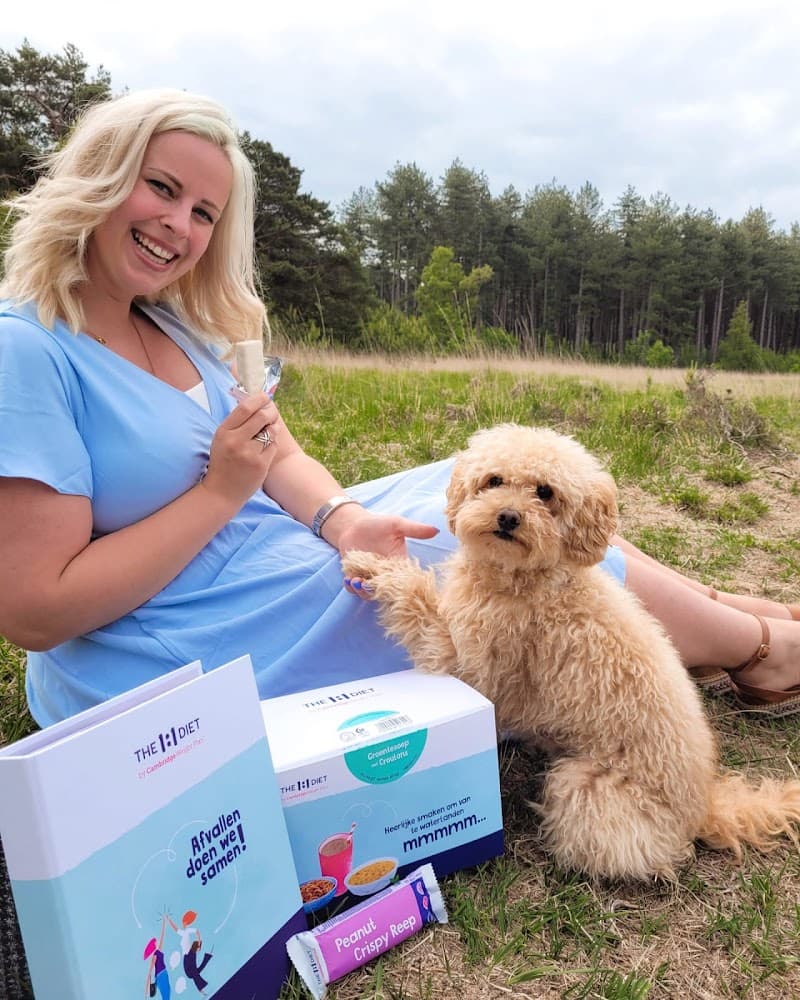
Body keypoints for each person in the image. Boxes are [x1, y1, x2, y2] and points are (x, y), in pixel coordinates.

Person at [0, 89, 799, 731]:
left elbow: (279, 456)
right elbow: (37, 612)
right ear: (101, 176)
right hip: (177, 637)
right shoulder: (27, 350)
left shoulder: (169, 322)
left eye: (205, 212)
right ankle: (762, 653)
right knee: (484, 549)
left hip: (259, 558)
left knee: (487, 500)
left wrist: (343, 520)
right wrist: (219, 493)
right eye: (163, 188)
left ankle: (723, 614)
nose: (179, 226)